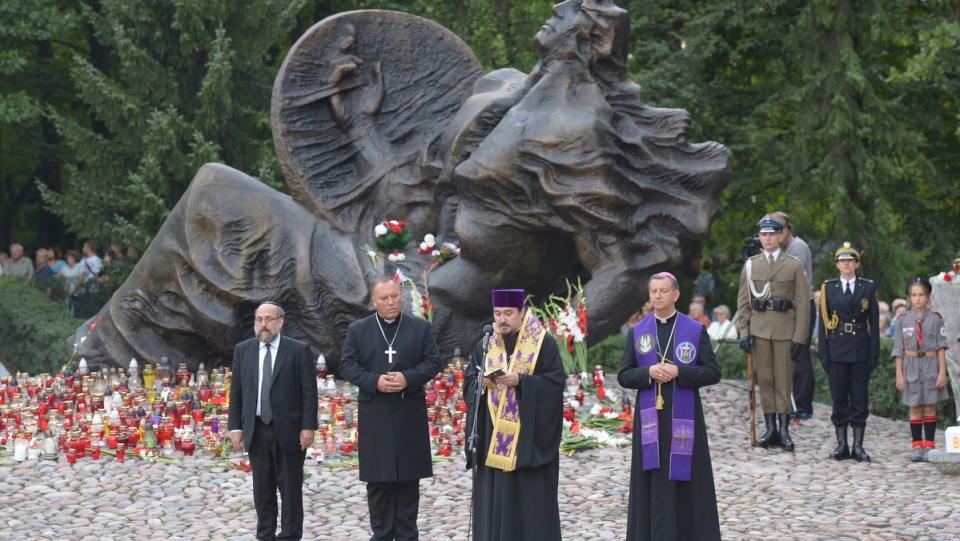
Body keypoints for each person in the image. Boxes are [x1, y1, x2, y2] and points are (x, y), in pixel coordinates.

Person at [618, 272, 721, 540]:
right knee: (651, 477)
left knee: (685, 479)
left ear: (676, 295)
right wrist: (649, 372)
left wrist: (680, 372)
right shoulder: (637, 331)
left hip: (684, 417)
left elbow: (712, 372)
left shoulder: (694, 330)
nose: (657, 296)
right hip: (649, 419)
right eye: (653, 291)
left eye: (663, 291)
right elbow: (624, 375)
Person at [340, 276, 442, 541]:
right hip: (376, 416)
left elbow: (433, 362)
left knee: (409, 483)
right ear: (374, 301)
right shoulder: (358, 330)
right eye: (384, 298)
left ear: (401, 296)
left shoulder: (419, 328)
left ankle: (408, 536)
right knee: (379, 484)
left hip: (409, 414)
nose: (390, 302)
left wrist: (408, 378)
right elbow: (348, 366)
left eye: (395, 296)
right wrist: (374, 381)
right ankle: (382, 535)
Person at [463, 289, 564, 541]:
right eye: (497, 314)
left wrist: (521, 381)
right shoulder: (486, 344)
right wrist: (480, 383)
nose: (502, 320)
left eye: (508, 313)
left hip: (527, 441)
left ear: (522, 312)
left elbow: (554, 385)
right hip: (491, 437)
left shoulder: (543, 344)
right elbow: (468, 382)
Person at [228, 302, 317, 541]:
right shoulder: (243, 350)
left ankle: (289, 535)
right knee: (262, 488)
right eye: (259, 319)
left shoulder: (298, 350)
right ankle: (265, 534)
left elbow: (309, 391)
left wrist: (308, 426)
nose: (263, 325)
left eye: (269, 319)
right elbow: (236, 392)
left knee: (290, 489)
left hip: (289, 429)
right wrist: (236, 427)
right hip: (257, 429)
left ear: (281, 321)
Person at [736, 216, 810, 452]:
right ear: (760, 238)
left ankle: (785, 430)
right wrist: (744, 331)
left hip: (785, 330)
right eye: (763, 235)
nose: (767, 238)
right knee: (765, 380)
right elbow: (743, 302)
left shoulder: (793, 264)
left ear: (780, 236)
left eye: (772, 234)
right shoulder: (751, 265)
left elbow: (802, 303)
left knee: (784, 381)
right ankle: (770, 429)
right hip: (759, 330)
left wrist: (800, 336)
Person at [817, 243, 880, 462]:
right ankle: (842, 444)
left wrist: (874, 351)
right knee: (839, 397)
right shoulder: (828, 288)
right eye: (842, 261)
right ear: (837, 264)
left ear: (857, 263)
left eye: (850, 260)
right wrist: (823, 351)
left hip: (861, 346)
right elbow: (823, 322)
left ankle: (858, 445)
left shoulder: (867, 287)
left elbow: (874, 320)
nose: (846, 264)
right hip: (836, 346)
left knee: (860, 398)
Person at [764, 211, 817, 420]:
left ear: (785, 230)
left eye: (776, 231)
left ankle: (802, 404)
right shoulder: (783, 249)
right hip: (786, 306)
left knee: (799, 353)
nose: (772, 236)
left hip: (801, 305)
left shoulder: (798, 247)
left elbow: (788, 275)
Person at [892, 277, 949, 462]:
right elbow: (898, 350)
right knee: (914, 406)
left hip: (931, 365)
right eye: (914, 295)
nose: (918, 299)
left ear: (927, 297)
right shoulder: (902, 320)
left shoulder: (936, 319)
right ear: (909, 297)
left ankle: (929, 444)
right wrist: (899, 375)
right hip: (911, 366)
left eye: (921, 295)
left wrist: (942, 372)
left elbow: (941, 346)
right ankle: (917, 445)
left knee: (930, 406)